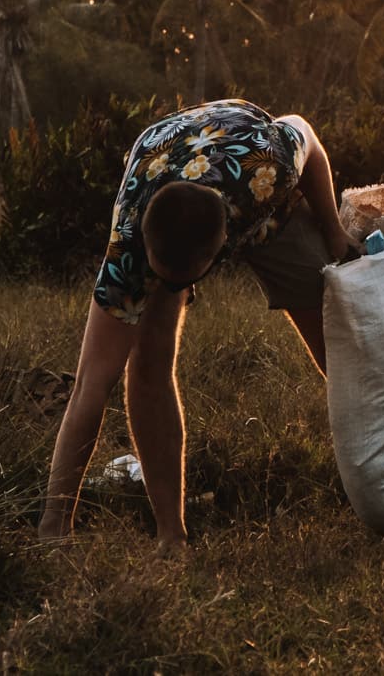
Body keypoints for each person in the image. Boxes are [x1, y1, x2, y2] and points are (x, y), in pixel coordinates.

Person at [38, 99, 353, 551]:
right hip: (162, 163)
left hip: (249, 181)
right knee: (147, 362)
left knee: (336, 319)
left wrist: (335, 230)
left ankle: (374, 460)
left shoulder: (270, 165)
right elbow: (91, 385)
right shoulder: (129, 245)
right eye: (163, 277)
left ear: (221, 247)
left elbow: (307, 134)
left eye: (181, 283)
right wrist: (54, 523)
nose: (173, 290)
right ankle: (171, 536)